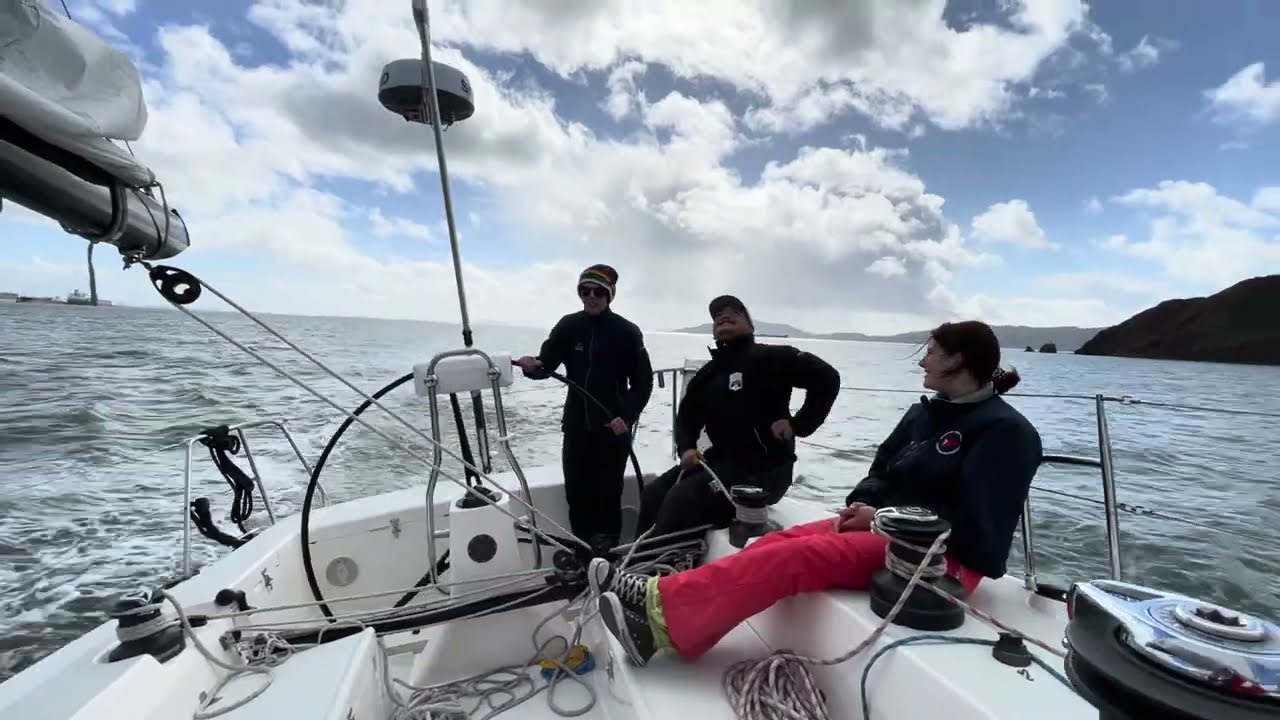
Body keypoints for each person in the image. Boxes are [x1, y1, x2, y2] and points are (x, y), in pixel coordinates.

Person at [592, 320, 1043, 666]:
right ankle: (662, 606)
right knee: (776, 540)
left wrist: (880, 516)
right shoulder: (924, 415)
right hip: (881, 527)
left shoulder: (1006, 433)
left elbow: (979, 530)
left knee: (796, 559)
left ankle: (658, 617)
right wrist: (863, 505)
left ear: (960, 362)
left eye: (931, 353)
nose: (923, 362)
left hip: (938, 560)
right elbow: (880, 468)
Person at [636, 294, 841, 538]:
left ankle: (664, 571)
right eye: (717, 314)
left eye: (734, 310)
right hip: (719, 462)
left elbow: (827, 378)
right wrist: (687, 448)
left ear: (750, 324)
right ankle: (640, 564)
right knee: (653, 493)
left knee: (683, 498)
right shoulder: (706, 375)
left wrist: (799, 424)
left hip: (765, 470)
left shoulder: (774, 357)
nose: (724, 314)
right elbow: (687, 417)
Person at [514, 264, 654, 553]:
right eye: (585, 291)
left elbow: (642, 382)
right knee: (576, 492)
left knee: (607, 493)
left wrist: (626, 416)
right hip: (576, 424)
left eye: (598, 292)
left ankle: (608, 553)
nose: (591, 297)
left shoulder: (627, 332)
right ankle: (581, 548)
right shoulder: (568, 326)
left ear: (609, 296)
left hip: (612, 428)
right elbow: (546, 365)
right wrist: (531, 367)